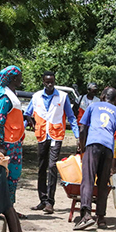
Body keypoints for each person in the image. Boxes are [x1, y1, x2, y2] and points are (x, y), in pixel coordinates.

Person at [24, 71, 79, 214]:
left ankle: (50, 201)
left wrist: (77, 136)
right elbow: (27, 114)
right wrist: (20, 132)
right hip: (42, 135)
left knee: (52, 166)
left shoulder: (62, 96)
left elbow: (71, 117)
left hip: (56, 135)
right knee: (42, 167)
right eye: (47, 82)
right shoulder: (36, 97)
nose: (50, 84)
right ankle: (42, 199)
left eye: (52, 82)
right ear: (43, 82)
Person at [74, 87, 116, 230]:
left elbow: (83, 128)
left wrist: (82, 146)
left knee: (88, 180)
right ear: (115, 99)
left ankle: (86, 216)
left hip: (93, 144)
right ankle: (101, 217)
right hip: (108, 148)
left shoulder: (93, 106)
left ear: (102, 96)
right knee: (103, 183)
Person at [0, 66, 25, 217]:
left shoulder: (10, 94)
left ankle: (9, 209)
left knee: (12, 176)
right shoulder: (5, 97)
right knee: (3, 176)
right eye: (20, 77)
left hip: (12, 142)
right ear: (14, 79)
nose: (21, 79)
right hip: (5, 144)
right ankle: (0, 209)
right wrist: (0, 145)